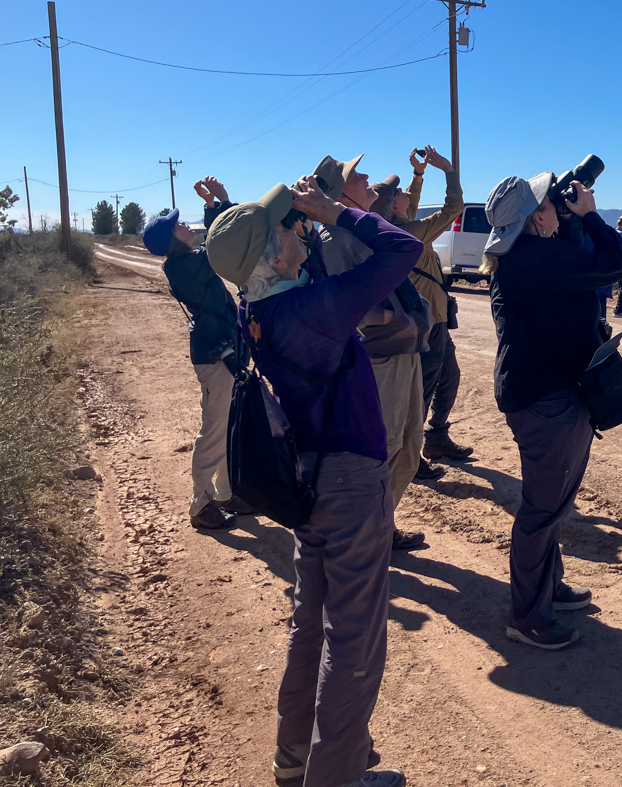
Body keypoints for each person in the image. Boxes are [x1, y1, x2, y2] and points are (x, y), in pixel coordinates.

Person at [206, 178, 419, 787]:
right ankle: (337, 777)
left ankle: (296, 755)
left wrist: (311, 225)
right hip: (350, 480)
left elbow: (299, 264)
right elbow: (401, 251)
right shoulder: (313, 310)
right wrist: (340, 212)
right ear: (273, 255)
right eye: (288, 226)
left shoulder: (260, 307)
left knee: (311, 622)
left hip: (307, 482)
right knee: (354, 638)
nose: (300, 227)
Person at [480, 173, 622, 650]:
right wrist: (589, 215)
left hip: (547, 393)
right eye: (549, 202)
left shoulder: (524, 254)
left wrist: (568, 220)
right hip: (546, 400)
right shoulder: (533, 259)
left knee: (554, 501)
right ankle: (528, 617)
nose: (558, 207)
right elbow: (611, 264)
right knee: (542, 510)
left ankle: (550, 589)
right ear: (534, 216)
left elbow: (577, 267)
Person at [314, 154, 432, 551]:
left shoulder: (360, 227)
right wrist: (382, 318)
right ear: (340, 193)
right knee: (386, 448)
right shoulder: (335, 237)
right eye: (356, 175)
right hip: (381, 356)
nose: (366, 177)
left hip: (406, 349)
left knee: (411, 448)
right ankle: (364, 535)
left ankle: (380, 524)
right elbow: (340, 297)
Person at [141, 176, 252, 531]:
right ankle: (200, 505)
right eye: (179, 226)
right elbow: (223, 242)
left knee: (225, 428)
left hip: (221, 353)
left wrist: (212, 206)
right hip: (216, 358)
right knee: (214, 430)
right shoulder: (185, 266)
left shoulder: (185, 262)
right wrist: (221, 201)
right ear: (172, 240)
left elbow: (214, 244)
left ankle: (222, 493)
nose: (186, 225)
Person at [396, 144, 471, 465]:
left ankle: (436, 437)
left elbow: (408, 204)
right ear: (392, 207)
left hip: (435, 317)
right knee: (424, 387)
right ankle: (409, 456)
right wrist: (449, 172)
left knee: (449, 376)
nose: (405, 193)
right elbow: (454, 207)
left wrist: (418, 173)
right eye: (398, 193)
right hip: (428, 322)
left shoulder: (399, 223)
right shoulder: (410, 231)